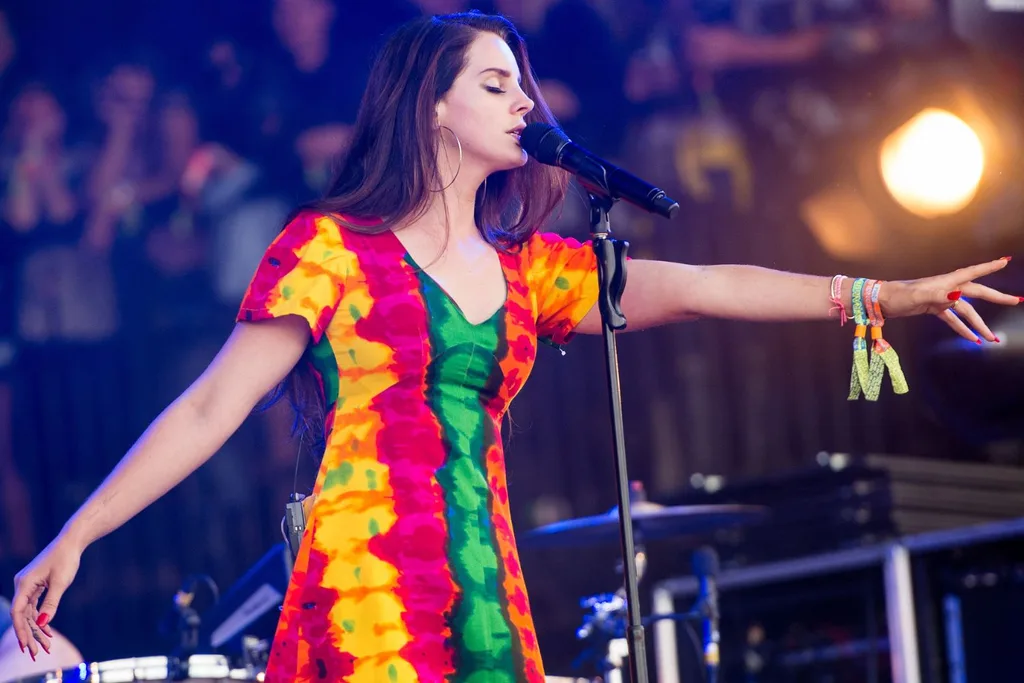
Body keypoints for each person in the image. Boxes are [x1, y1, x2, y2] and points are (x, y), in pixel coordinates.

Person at [8, 11, 1019, 683]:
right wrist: (78, 533)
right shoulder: (328, 250)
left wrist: (885, 292)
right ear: (433, 104)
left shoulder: (532, 269)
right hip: (366, 579)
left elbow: (708, 286)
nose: (524, 101)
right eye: (495, 84)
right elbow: (207, 408)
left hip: (483, 579)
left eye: (522, 84)